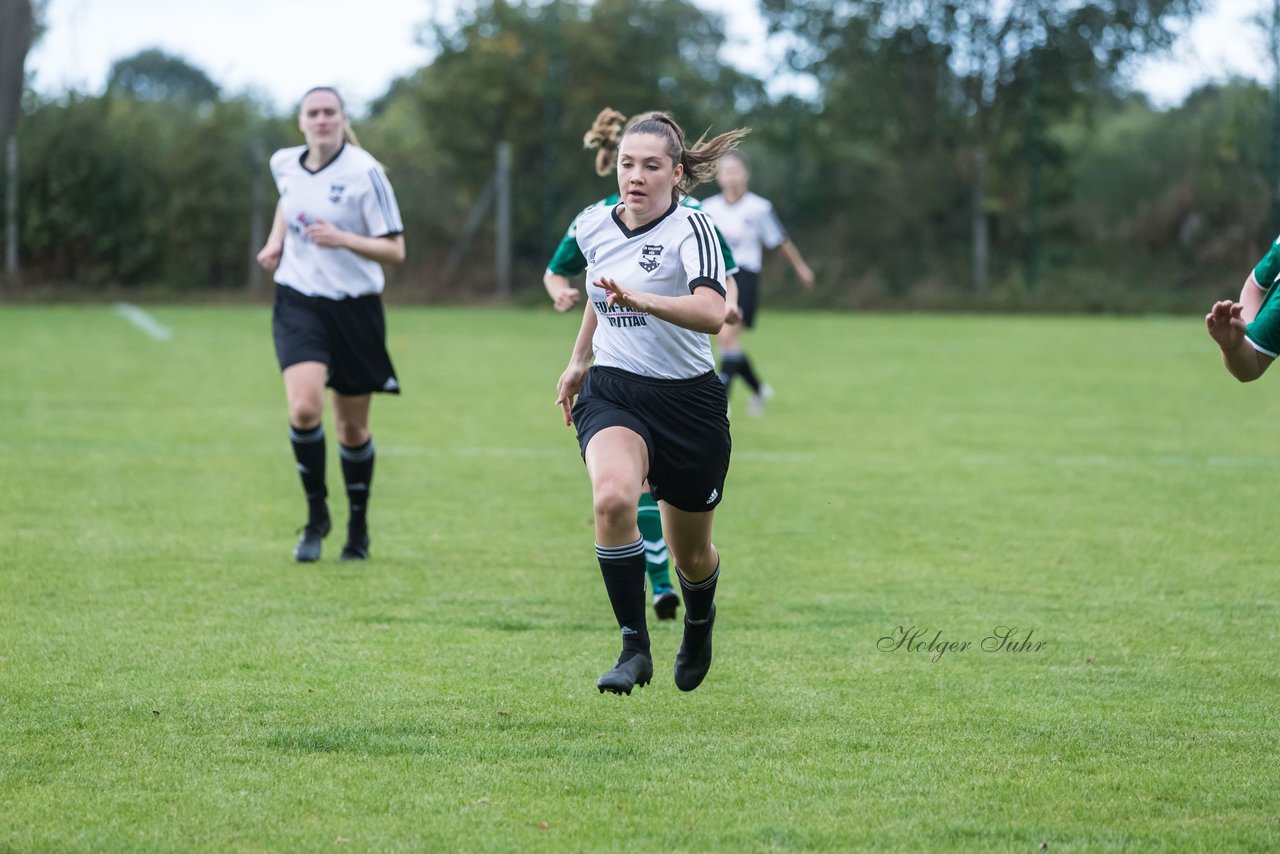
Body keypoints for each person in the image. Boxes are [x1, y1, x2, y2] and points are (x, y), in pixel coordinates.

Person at [554, 111, 748, 695]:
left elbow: (713, 314)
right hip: (614, 388)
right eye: (627, 165)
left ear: (677, 173)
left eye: (651, 166)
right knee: (613, 500)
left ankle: (698, 619)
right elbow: (597, 289)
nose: (635, 177)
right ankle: (633, 647)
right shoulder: (593, 223)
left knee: (692, 556)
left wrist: (641, 297)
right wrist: (579, 358)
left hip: (689, 404)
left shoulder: (695, 229)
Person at [256, 86, 405, 563]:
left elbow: (395, 250)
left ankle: (357, 525)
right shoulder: (284, 162)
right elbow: (288, 199)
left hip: (355, 308)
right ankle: (316, 516)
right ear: (301, 121)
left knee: (352, 430)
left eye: (329, 112)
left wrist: (343, 238)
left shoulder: (367, 173)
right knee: (303, 409)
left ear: (342, 119)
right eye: (312, 113)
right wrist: (275, 241)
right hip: (298, 300)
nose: (321, 120)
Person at [700, 150, 815, 415]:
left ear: (746, 174)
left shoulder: (758, 208)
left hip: (746, 276)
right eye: (725, 171)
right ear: (718, 176)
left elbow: (780, 240)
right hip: (718, 277)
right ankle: (759, 390)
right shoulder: (708, 209)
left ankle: (721, 402)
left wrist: (801, 268)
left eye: (735, 170)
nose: (730, 176)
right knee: (726, 342)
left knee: (728, 336)